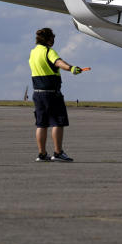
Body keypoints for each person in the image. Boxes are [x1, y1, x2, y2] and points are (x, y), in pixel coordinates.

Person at [29, 27, 85, 162]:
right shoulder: (49, 51)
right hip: (51, 94)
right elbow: (58, 62)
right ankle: (58, 152)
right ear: (49, 39)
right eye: (53, 38)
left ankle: (42, 154)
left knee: (41, 124)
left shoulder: (33, 52)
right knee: (58, 122)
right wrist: (71, 68)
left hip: (37, 93)